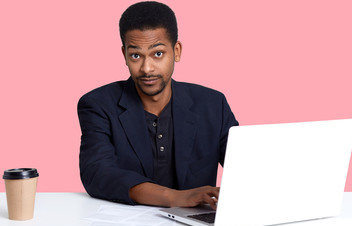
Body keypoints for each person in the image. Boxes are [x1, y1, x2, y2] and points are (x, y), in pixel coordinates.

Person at [77, 1, 238, 210]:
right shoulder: (98, 104)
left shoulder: (213, 104)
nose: (146, 68)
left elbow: (246, 170)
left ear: (177, 51)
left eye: (158, 53)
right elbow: (97, 173)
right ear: (124, 54)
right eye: (136, 55)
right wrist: (175, 198)